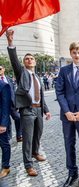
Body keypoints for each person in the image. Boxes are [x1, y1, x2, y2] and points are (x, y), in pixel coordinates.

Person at [6, 29, 51, 177]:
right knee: (27, 138)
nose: (29, 60)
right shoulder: (22, 73)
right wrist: (11, 43)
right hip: (27, 110)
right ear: (24, 63)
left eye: (31, 58)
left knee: (38, 134)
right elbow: (14, 61)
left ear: (35, 62)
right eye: (27, 59)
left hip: (38, 110)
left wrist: (46, 110)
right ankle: (28, 165)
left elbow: (41, 96)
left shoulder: (37, 77)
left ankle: (35, 153)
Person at [56, 42, 79, 187]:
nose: (77, 55)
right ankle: (72, 172)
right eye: (74, 53)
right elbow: (60, 92)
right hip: (68, 116)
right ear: (71, 54)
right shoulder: (64, 71)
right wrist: (67, 112)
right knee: (69, 144)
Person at [0, 65, 23, 142]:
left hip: (11, 104)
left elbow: (13, 91)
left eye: (0, 69)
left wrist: (16, 103)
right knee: (7, 122)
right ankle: (8, 137)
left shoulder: (9, 79)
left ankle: (19, 135)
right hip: (2, 106)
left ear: (3, 69)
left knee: (18, 118)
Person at [0, 80, 11, 178]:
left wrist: (3, 124)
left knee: (4, 144)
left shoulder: (4, 85)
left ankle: (6, 167)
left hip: (0, 122)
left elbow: (6, 107)